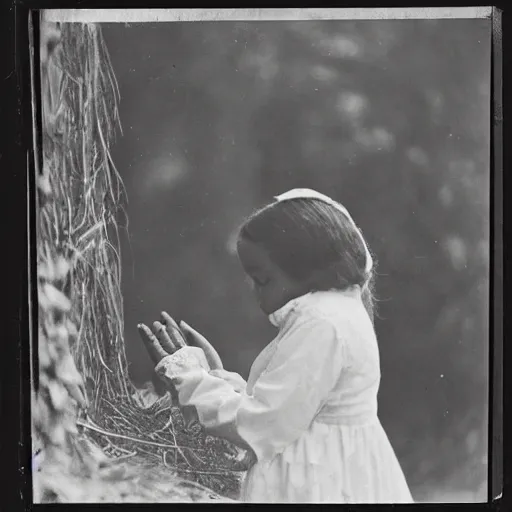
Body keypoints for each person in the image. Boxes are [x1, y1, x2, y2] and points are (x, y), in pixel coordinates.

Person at [137, 188, 413, 503]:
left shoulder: (321, 323)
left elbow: (263, 422)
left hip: (320, 480)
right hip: (333, 467)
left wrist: (189, 378)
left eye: (263, 280)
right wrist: (218, 377)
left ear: (309, 270)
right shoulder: (336, 311)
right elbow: (289, 406)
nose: (255, 292)